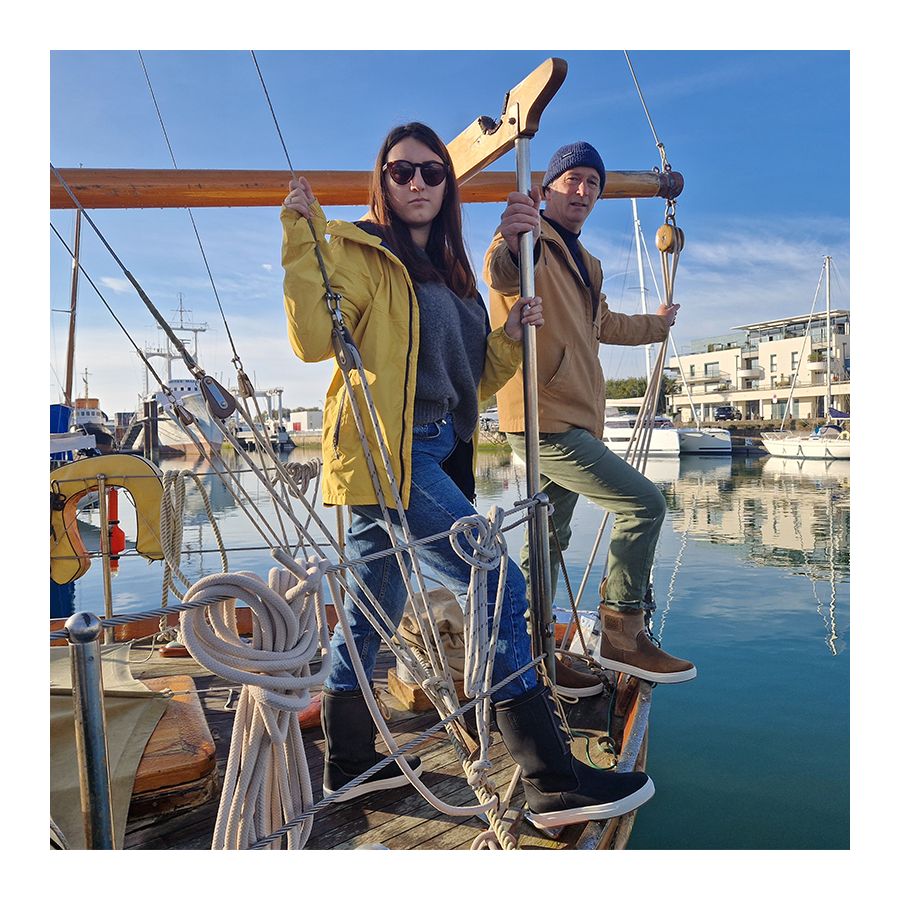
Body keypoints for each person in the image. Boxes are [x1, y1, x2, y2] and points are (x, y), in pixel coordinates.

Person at [281, 122, 654, 826]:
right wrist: (301, 239)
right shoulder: (354, 252)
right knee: (495, 579)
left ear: (447, 186)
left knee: (368, 612)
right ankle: (550, 778)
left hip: (436, 445)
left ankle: (351, 761)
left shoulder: (452, 273)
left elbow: (471, 383)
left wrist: (509, 340)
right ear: (381, 181)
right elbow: (309, 340)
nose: (417, 183)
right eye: (402, 171)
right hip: (387, 450)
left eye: (432, 172)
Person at [483, 140, 696, 684]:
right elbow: (503, 271)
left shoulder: (587, 262)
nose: (582, 191)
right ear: (549, 187)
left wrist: (658, 325)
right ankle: (623, 632)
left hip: (574, 415)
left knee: (546, 539)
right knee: (644, 504)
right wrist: (513, 232)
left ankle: (532, 657)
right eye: (572, 180)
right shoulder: (531, 237)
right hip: (543, 420)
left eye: (592, 184)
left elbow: (604, 325)